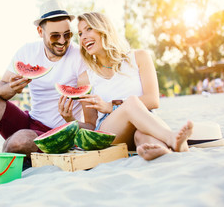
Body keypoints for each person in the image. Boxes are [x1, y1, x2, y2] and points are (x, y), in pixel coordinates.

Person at [58, 12, 193, 161]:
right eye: (80, 33)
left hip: (144, 124)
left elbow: (153, 100)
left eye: (89, 29)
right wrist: (70, 120)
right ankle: (171, 138)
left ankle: (165, 153)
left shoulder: (139, 57)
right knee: (132, 102)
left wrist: (111, 105)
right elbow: (91, 125)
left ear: (104, 29)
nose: (83, 37)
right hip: (109, 132)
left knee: (142, 136)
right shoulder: (85, 78)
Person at [0, 0, 87, 160]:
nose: (62, 41)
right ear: (40, 31)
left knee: (18, 142)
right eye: (55, 35)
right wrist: (12, 88)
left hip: (60, 133)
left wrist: (71, 119)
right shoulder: (27, 51)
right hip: (31, 122)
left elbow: (89, 117)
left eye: (67, 35)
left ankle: (2, 162)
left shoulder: (79, 56)